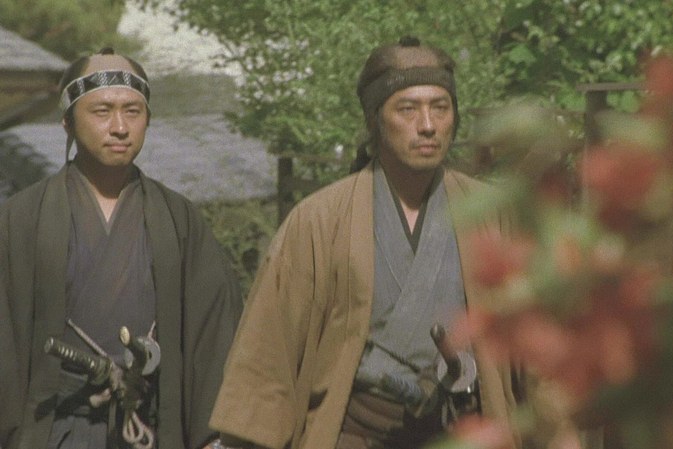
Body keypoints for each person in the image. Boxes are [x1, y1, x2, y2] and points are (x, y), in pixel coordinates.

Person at [209, 36, 522, 449]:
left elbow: (536, 352)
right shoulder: (319, 220)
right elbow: (270, 353)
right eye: (407, 109)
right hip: (356, 436)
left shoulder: (491, 213)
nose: (427, 125)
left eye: (440, 107)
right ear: (376, 120)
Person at [0, 48, 244, 449]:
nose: (119, 127)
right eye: (102, 111)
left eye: (132, 111)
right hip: (54, 430)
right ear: (67, 122)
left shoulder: (179, 220)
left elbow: (214, 334)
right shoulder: (21, 219)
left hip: (150, 428)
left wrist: (211, 437)